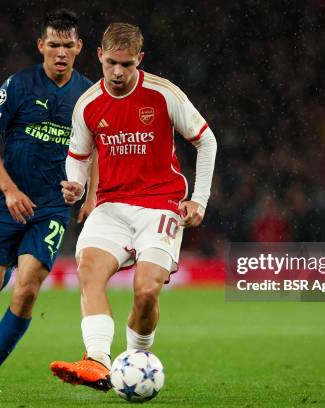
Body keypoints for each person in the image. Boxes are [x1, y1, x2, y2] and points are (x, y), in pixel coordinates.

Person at [49, 22, 217, 391]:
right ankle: (96, 361)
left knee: (145, 292)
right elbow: (77, 155)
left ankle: (136, 359)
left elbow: (207, 141)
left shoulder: (163, 94)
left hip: (161, 206)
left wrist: (198, 200)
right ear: (99, 56)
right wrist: (76, 183)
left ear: (139, 59)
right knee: (89, 271)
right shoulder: (88, 104)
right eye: (111, 63)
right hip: (110, 207)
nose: (118, 72)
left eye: (127, 64)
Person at [0, 9, 92, 392]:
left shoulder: (88, 95)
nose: (60, 52)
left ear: (79, 48)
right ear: (40, 45)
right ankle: (4, 266)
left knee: (28, 287)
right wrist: (7, 189)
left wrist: (84, 188)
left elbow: (97, 149)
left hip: (52, 208)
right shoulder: (19, 85)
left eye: (67, 45)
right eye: (53, 44)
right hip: (8, 203)